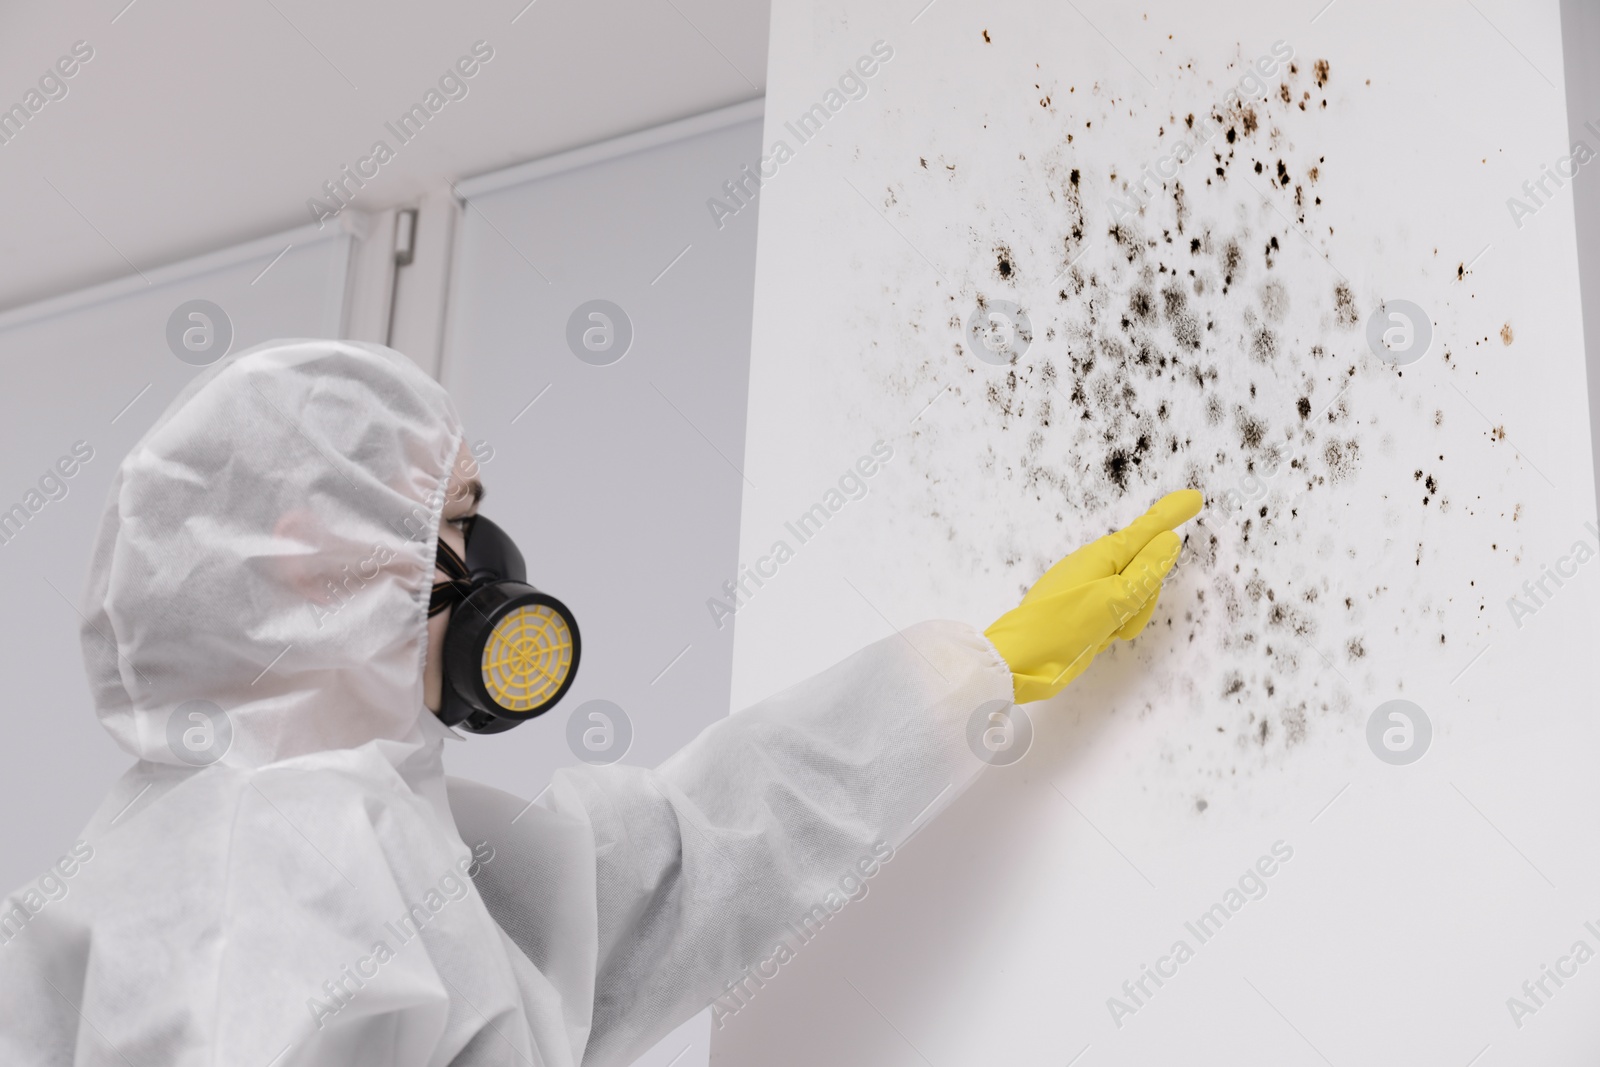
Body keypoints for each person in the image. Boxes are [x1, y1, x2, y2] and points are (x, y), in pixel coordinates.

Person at [0, 340, 1197, 1066]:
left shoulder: (359, 835)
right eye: (457, 517)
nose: (493, 556)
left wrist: (975, 671)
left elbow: (668, 881)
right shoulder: (268, 869)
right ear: (318, 553)